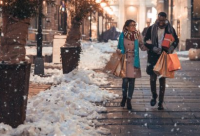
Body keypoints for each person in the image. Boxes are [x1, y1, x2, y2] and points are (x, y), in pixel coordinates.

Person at [144, 12, 179, 110]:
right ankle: (154, 95)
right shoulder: (151, 29)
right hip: (153, 56)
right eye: (160, 20)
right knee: (152, 79)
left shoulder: (170, 29)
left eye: (163, 20)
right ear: (157, 19)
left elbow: (176, 40)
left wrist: (171, 47)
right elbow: (145, 41)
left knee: (162, 79)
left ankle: (160, 102)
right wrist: (153, 48)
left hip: (164, 56)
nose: (161, 22)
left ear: (166, 19)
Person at [117, 19, 147, 110]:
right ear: (127, 27)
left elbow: (142, 46)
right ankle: (124, 97)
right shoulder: (122, 35)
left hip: (134, 60)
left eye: (135, 25)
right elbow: (119, 47)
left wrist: (147, 45)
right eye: (132, 25)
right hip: (125, 60)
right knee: (125, 81)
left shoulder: (138, 35)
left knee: (132, 81)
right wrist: (120, 51)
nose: (134, 27)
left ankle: (129, 100)